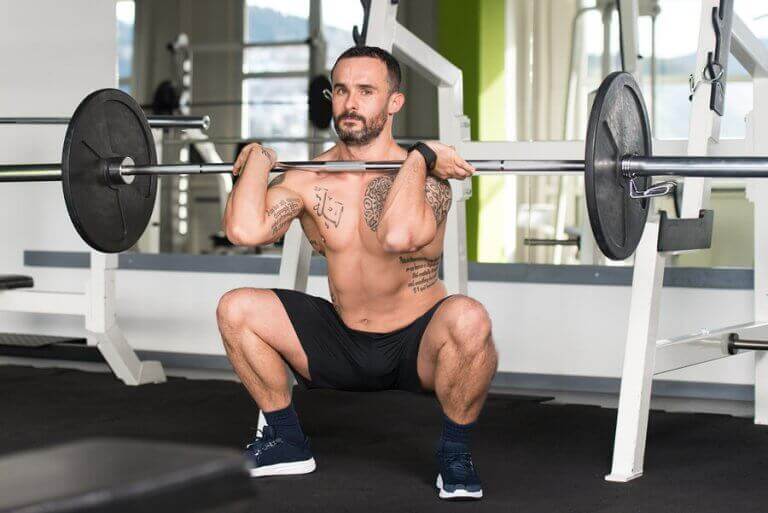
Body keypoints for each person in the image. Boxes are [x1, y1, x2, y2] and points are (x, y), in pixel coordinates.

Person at [217, 46, 498, 500]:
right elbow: (243, 230)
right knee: (235, 308)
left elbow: (400, 236)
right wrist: (258, 162)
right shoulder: (308, 178)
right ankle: (286, 441)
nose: (350, 103)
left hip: (417, 345)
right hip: (342, 340)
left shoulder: (428, 177)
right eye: (342, 90)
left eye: (366, 91)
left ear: (394, 102)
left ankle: (454, 454)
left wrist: (419, 157)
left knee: (470, 318)